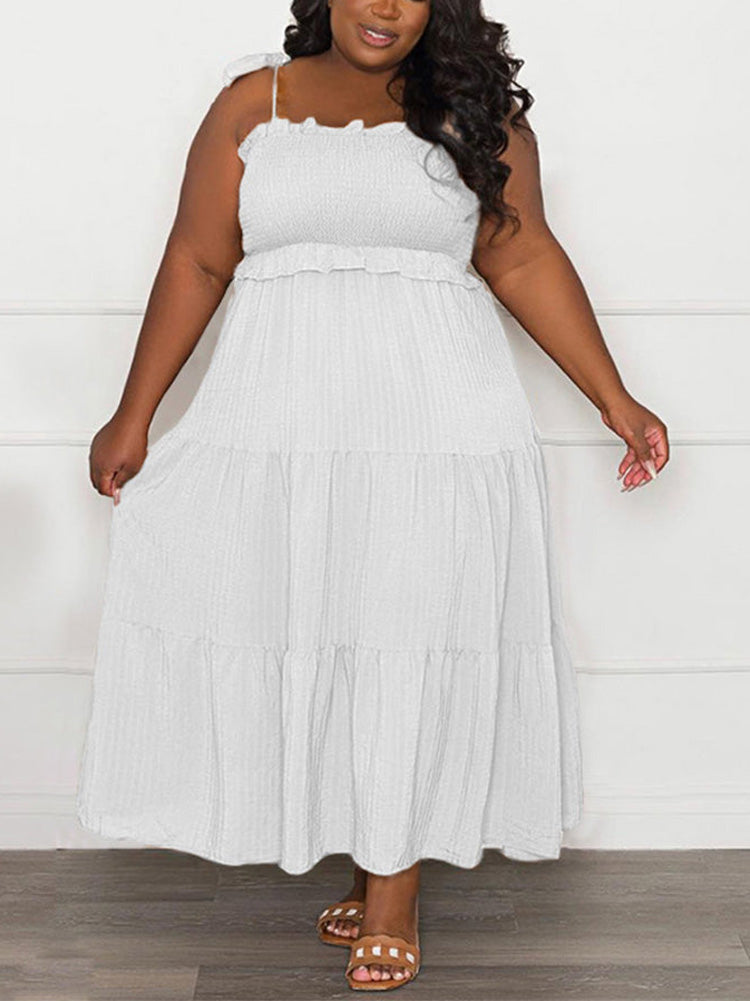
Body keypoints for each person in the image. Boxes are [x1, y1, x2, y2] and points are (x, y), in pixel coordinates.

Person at [76, 0, 669, 991]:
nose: (385, 5)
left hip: (436, 432)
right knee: (325, 630)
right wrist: (133, 412)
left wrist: (616, 398)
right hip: (282, 433)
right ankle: (369, 850)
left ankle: (393, 891)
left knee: (404, 634)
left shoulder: (475, 114)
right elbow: (199, 256)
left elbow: (519, 253)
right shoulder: (248, 104)